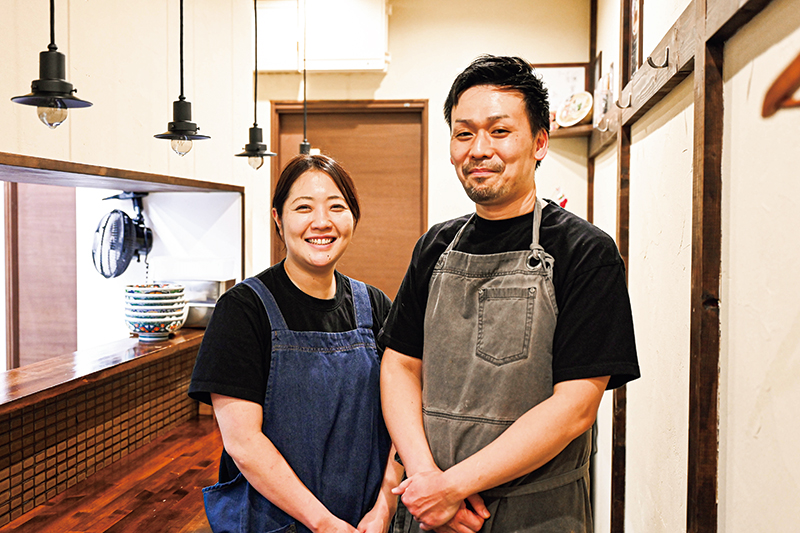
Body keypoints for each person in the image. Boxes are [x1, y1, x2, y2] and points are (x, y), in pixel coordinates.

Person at [379, 55, 640, 533]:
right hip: (431, 512)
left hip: (537, 513)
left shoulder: (585, 251)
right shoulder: (434, 246)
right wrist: (426, 478)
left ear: (539, 142)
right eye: (463, 133)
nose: (479, 149)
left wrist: (452, 487)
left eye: (500, 131)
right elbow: (399, 364)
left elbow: (575, 407)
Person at [189, 154, 403, 533]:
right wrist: (323, 523)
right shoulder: (243, 310)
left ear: (353, 217)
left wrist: (385, 507)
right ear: (278, 219)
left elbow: (404, 416)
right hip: (274, 520)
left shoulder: (375, 305)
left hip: (367, 520)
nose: (321, 222)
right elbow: (243, 442)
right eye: (304, 208)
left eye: (336, 207)